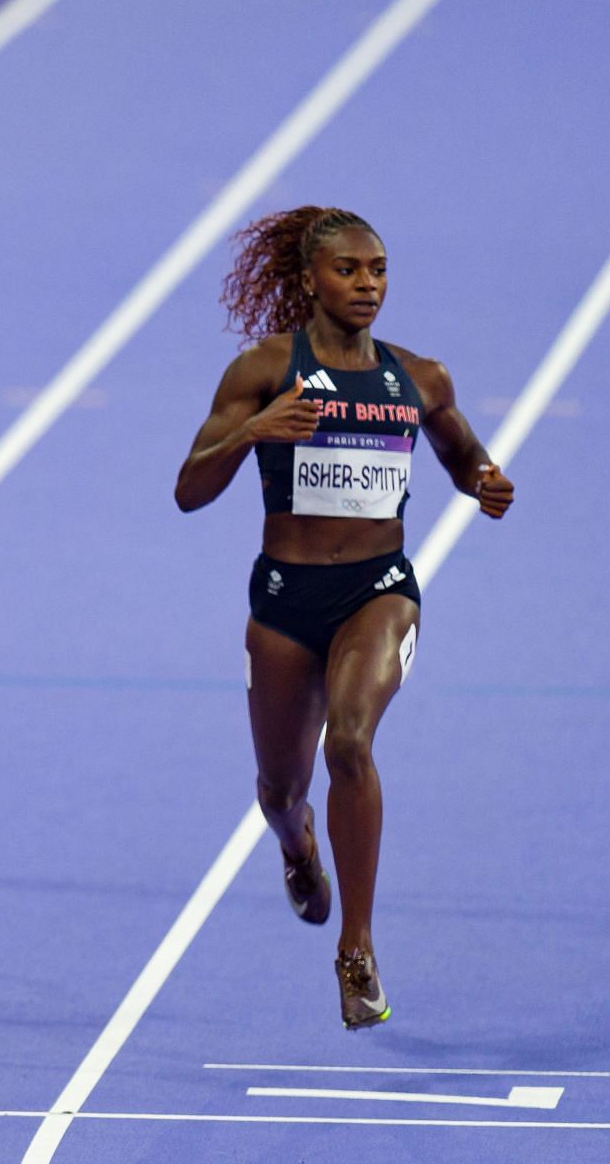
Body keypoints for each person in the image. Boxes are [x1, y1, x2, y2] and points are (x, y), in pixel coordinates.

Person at [174, 206, 513, 1029]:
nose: (368, 285)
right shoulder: (263, 369)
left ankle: (355, 949)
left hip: (379, 591)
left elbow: (463, 454)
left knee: (351, 741)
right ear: (309, 280)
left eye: (379, 270)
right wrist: (257, 428)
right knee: (282, 786)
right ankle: (297, 845)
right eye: (350, 270)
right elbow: (189, 489)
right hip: (287, 602)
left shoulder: (417, 379)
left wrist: (484, 480)